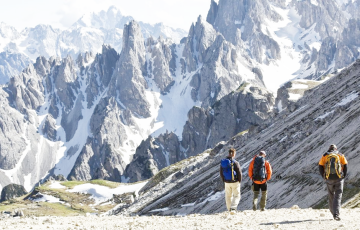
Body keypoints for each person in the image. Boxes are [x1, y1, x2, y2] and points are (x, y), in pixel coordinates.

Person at [318, 144, 348, 221]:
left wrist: (324, 176)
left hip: (329, 179)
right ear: (336, 149)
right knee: (338, 195)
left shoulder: (325, 155)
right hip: (339, 178)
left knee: (331, 195)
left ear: (329, 149)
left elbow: (320, 166)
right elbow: (345, 165)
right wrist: (344, 175)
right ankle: (336, 214)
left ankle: (332, 212)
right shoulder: (340, 154)